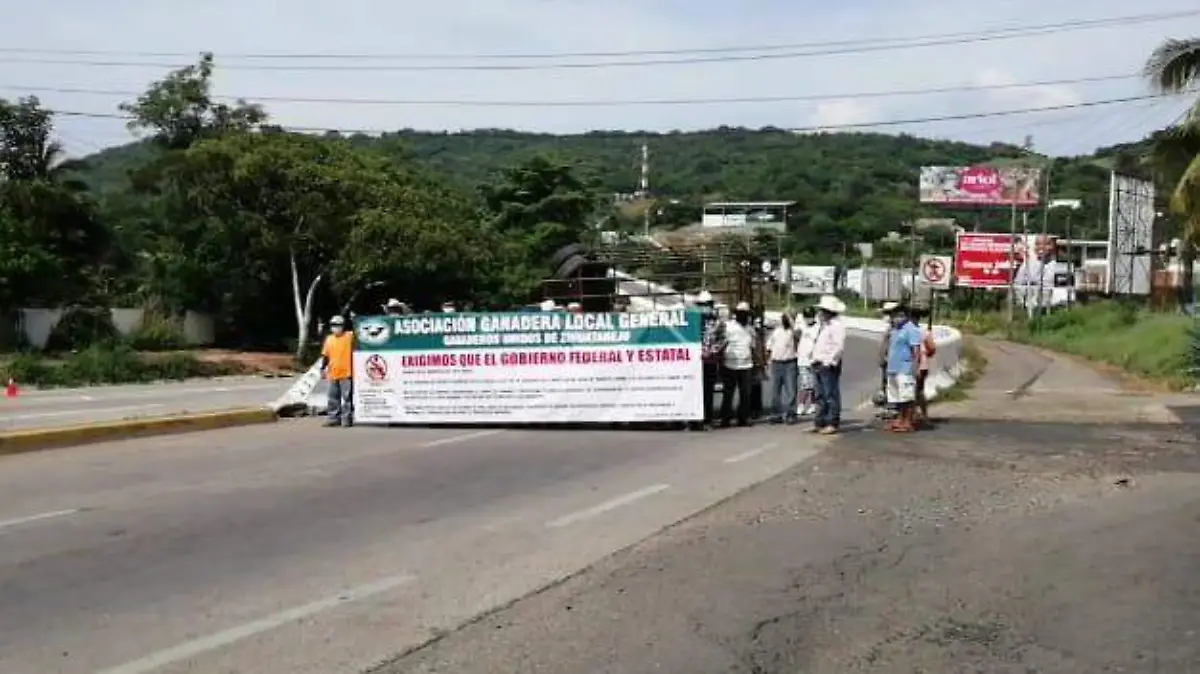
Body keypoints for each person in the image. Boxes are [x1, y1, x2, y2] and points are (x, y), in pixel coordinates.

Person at [810, 295, 846, 435]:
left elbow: (838, 347)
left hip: (828, 364)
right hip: (818, 362)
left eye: (822, 311)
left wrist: (829, 362)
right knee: (819, 395)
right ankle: (820, 422)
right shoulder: (824, 326)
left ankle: (832, 422)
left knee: (830, 394)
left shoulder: (837, 326)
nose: (820, 313)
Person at [885, 305, 924, 433]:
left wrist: (916, 367)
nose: (897, 318)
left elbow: (916, 350)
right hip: (893, 368)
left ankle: (907, 421)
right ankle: (900, 419)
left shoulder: (911, 330)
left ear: (906, 316)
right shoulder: (895, 330)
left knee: (907, 396)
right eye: (895, 316)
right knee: (897, 397)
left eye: (901, 315)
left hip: (905, 368)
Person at [719, 300, 756, 428]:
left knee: (745, 393)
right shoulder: (728, 326)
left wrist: (758, 364)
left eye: (746, 314)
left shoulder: (750, 329)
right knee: (728, 393)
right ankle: (725, 418)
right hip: (730, 364)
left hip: (746, 364)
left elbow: (753, 346)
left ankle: (743, 418)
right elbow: (722, 344)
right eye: (741, 314)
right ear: (737, 314)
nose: (744, 316)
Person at [695, 291, 724, 430]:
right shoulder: (692, 321)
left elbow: (722, 339)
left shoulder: (718, 322)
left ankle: (707, 419)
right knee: (695, 392)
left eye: (707, 304)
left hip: (710, 361)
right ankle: (695, 420)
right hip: (694, 363)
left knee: (707, 392)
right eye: (702, 304)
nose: (705, 307)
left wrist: (714, 350)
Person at [320, 315, 355, 428]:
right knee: (332, 398)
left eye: (337, 325)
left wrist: (354, 319)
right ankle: (333, 418)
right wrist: (322, 368)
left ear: (343, 326)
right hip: (333, 372)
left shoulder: (349, 336)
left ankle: (346, 419)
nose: (335, 327)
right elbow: (325, 355)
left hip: (347, 373)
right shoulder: (329, 339)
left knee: (347, 398)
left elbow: (359, 332)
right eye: (333, 325)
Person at [766, 310, 799, 424]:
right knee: (775, 391)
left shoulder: (794, 331)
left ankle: (791, 414)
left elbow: (798, 336)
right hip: (776, 363)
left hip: (789, 363)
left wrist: (792, 323)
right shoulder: (777, 331)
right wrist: (768, 361)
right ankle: (776, 414)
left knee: (791, 390)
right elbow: (769, 346)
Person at [911, 307, 937, 427]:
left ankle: (919, 416)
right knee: (917, 391)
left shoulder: (919, 332)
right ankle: (920, 415)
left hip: (919, 365)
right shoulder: (923, 332)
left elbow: (932, 348)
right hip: (920, 365)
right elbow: (932, 349)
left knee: (916, 391)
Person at [795, 306, 819, 417]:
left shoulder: (818, 328)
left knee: (814, 385)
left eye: (810, 317)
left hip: (814, 360)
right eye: (806, 317)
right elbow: (796, 337)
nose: (808, 319)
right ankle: (801, 404)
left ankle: (813, 404)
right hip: (803, 360)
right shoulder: (801, 326)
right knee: (805, 384)